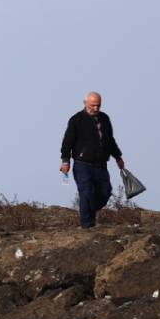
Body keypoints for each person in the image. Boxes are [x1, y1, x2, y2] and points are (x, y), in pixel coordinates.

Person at [60, 91, 126, 228]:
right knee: (86, 193)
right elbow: (67, 143)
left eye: (98, 105)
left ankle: (89, 211)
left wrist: (118, 157)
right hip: (82, 165)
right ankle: (87, 225)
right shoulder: (76, 120)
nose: (96, 108)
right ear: (85, 103)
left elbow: (110, 140)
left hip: (101, 165)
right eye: (93, 105)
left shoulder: (104, 119)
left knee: (105, 192)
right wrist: (65, 161)